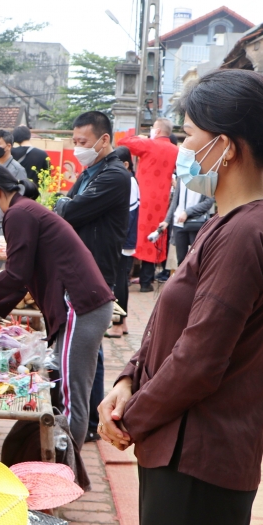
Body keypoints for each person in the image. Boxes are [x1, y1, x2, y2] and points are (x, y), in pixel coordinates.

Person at [97, 68, 263, 525]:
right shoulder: (225, 221)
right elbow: (169, 322)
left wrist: (130, 419)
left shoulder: (246, 233)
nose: (183, 148)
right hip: (183, 447)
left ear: (224, 147)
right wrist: (127, 379)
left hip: (200, 458)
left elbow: (199, 360)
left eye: (190, 136)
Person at [0, 164, 113, 451]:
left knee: (70, 394)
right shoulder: (24, 210)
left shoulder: (18, 213)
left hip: (80, 305)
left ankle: (67, 468)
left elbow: (15, 275)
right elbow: (21, 280)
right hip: (82, 304)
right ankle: (61, 461)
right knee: (67, 388)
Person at [54, 111, 130, 442]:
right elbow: (65, 207)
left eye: (82, 142)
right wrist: (66, 205)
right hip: (83, 273)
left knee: (77, 367)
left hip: (94, 278)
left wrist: (66, 205)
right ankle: (91, 425)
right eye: (74, 142)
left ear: (103, 140)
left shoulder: (114, 176)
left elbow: (68, 210)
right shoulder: (91, 172)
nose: (77, 148)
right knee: (89, 355)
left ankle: (76, 435)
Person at [117, 126, 178, 292]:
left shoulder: (149, 144)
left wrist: (141, 137)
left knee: (133, 236)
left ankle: (125, 278)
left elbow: (122, 142)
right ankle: (146, 282)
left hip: (142, 198)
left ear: (157, 130)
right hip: (161, 201)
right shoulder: (175, 150)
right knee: (154, 237)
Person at [106, 146, 139, 339]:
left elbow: (127, 216)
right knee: (121, 282)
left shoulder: (128, 182)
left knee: (118, 283)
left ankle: (117, 324)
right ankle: (122, 322)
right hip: (123, 239)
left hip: (122, 240)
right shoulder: (130, 180)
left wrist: (117, 240)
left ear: (126, 164)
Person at [161, 176, 213, 266]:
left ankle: (194, 280)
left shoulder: (205, 176)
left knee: (196, 259)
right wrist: (167, 220)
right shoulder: (182, 176)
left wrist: (188, 212)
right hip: (178, 222)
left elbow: (209, 201)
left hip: (196, 222)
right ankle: (182, 280)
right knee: (181, 260)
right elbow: (175, 200)